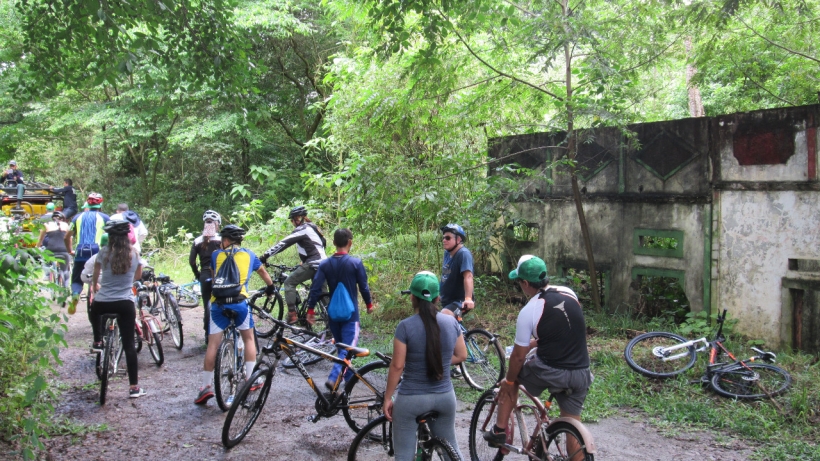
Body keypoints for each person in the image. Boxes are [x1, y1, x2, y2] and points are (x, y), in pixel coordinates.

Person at [483, 255, 593, 458]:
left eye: (519, 282)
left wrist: (508, 379)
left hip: (551, 371)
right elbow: (561, 331)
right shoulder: (569, 293)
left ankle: (499, 431)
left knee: (512, 379)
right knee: (572, 425)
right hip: (581, 373)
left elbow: (517, 357)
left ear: (525, 283)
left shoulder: (529, 310)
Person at [383, 271, 467, 461]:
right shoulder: (451, 322)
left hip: (411, 399)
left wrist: (388, 397)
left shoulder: (405, 327)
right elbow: (462, 355)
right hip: (445, 398)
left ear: (412, 297)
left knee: (404, 454)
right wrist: (439, 360)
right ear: (438, 298)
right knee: (451, 448)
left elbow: (397, 366)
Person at [195, 225, 276, 405]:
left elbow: (217, 278)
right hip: (239, 303)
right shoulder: (249, 255)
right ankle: (250, 378)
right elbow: (263, 272)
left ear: (225, 240)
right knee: (248, 339)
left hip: (219, 305)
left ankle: (205, 387)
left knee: (213, 345)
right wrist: (271, 288)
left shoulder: (216, 255)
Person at [306, 228, 374, 390]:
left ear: (334, 243)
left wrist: (310, 309)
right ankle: (334, 377)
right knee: (347, 350)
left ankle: (349, 378)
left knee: (341, 348)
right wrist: (369, 304)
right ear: (350, 242)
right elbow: (363, 287)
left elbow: (315, 288)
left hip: (333, 315)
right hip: (351, 316)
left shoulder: (325, 265)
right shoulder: (355, 263)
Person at [89, 220, 146, 398]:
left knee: (94, 308)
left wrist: (96, 287)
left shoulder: (103, 253)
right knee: (129, 345)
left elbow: (95, 277)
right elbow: (137, 276)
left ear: (111, 237)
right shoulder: (135, 254)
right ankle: (134, 387)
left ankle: (98, 340)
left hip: (103, 302)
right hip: (125, 303)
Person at [259, 206, 327, 324]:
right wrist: (304, 261)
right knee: (323, 294)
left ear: (300, 218)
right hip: (324, 263)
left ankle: (292, 315)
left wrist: (265, 256)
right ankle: (331, 325)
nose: (293, 222)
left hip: (313, 263)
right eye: (292, 220)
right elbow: (321, 244)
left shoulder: (302, 229)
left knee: (289, 283)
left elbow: (283, 243)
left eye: (293, 219)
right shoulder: (313, 227)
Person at [68, 193, 110, 314]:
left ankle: (76, 294)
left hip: (80, 251)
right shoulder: (105, 218)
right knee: (102, 276)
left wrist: (69, 249)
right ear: (100, 205)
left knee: (76, 279)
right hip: (98, 251)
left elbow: (67, 236)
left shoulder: (77, 218)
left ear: (87, 204)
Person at [188, 210, 222, 343]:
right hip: (219, 275)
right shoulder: (221, 240)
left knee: (207, 302)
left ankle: (208, 334)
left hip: (205, 274)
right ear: (217, 224)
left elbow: (191, 261)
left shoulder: (197, 241)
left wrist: (197, 274)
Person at [439, 223, 475, 317]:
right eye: (443, 238)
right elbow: (446, 276)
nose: (444, 240)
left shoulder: (463, 254)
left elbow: (468, 276)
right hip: (446, 300)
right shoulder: (447, 253)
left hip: (459, 301)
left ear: (458, 239)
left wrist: (468, 298)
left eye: (448, 238)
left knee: (444, 316)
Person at [37, 211, 71, 291]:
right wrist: (70, 250)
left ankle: (48, 274)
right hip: (64, 250)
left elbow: (40, 240)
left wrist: (37, 247)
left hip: (51, 250)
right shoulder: (66, 225)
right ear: (63, 219)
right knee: (65, 270)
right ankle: (65, 287)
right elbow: (69, 239)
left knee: (45, 261)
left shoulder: (46, 225)